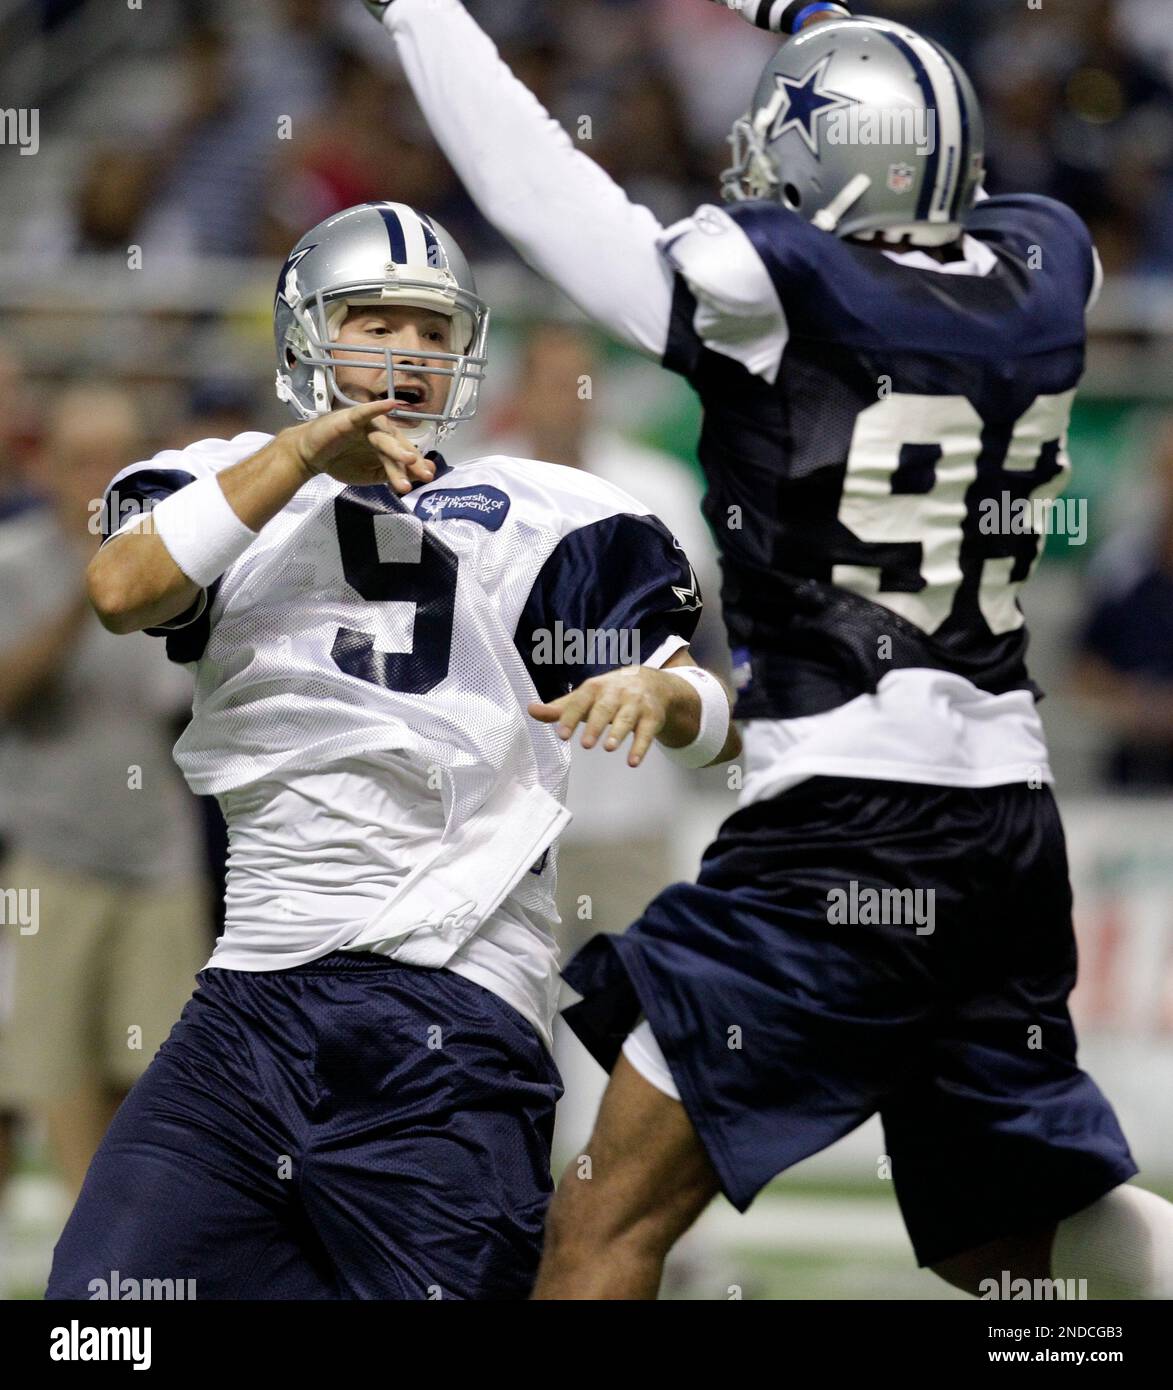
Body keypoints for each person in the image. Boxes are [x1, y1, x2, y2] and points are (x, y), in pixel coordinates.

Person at [365, 0, 1173, 1298]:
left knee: (600, 1219)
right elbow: (933, 140)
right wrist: (808, 21)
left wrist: (416, 12)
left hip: (841, 829)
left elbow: (535, 186)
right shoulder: (1047, 262)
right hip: (1004, 830)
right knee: (1008, 1248)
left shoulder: (771, 288)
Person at [45, 201, 738, 1301]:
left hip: (451, 1008)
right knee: (98, 1312)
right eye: (377, 322)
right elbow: (123, 592)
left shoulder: (537, 513)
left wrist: (668, 690)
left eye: (432, 332)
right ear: (305, 336)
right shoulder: (220, 487)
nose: (409, 354)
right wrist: (307, 454)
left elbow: (721, 716)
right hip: (252, 999)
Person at [0, 385, 208, 1198]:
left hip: (161, 856)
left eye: (112, 460)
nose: (95, 479)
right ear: (44, 466)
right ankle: (77, 1265)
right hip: (51, 859)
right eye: (78, 459)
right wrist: (90, 597)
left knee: (158, 1078)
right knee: (52, 1071)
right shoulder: (15, 564)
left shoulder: (179, 573)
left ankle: (125, 1256)